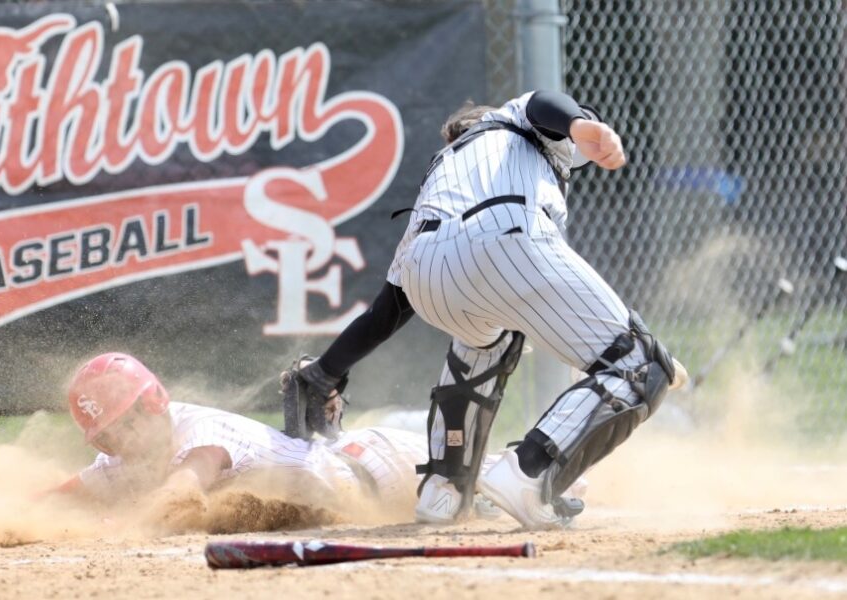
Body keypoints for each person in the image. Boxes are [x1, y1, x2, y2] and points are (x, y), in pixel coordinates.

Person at [282, 90, 686, 529]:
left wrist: (326, 373)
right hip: (508, 237)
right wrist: (579, 125)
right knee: (641, 366)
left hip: (428, 268)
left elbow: (386, 314)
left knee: (490, 338)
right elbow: (542, 105)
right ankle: (531, 472)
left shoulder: (443, 174)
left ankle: (445, 488)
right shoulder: (509, 123)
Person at [55, 352, 568, 524]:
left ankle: (553, 459)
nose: (120, 441)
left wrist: (114, 525)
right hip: (346, 464)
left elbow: (181, 494)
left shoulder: (200, 432)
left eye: (126, 421)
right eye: (106, 438)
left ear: (157, 402)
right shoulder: (132, 455)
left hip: (379, 468)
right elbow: (57, 497)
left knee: (497, 495)